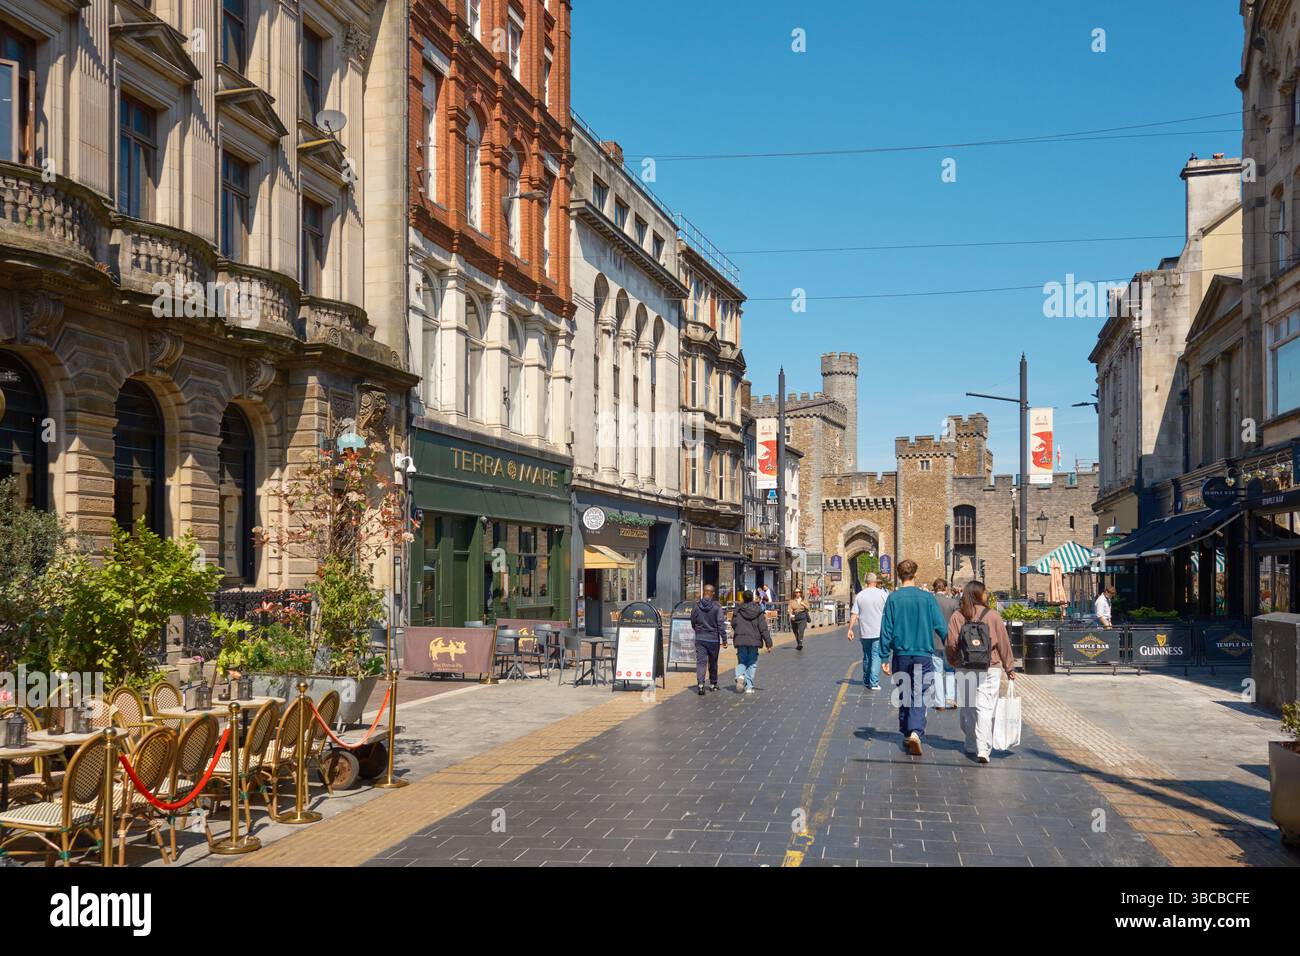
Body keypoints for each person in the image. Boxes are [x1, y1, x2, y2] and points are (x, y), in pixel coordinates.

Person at [878, 559, 949, 755]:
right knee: (921, 692)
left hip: (901, 653)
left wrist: (884, 656)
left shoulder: (893, 598)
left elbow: (886, 628)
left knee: (905, 692)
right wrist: (951, 645)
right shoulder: (927, 598)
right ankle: (916, 730)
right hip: (923, 653)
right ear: (915, 575)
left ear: (899, 576)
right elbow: (940, 626)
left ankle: (907, 731)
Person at [945, 580, 1016, 764]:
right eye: (985, 592)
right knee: (985, 708)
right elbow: (1003, 642)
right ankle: (983, 748)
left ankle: (970, 743)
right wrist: (1009, 667)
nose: (987, 595)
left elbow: (951, 643)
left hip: (964, 666)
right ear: (979, 594)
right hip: (989, 666)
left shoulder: (958, 615)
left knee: (968, 707)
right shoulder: (992, 615)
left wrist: (953, 661)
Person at [847, 572, 888, 690]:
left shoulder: (860, 595)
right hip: (878, 630)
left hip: (864, 631)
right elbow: (889, 612)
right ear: (876, 582)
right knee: (876, 655)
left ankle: (866, 679)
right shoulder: (883, 594)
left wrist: (850, 629)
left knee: (866, 656)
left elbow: (854, 613)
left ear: (866, 582)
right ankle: (873, 682)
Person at [730, 589, 773, 694]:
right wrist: (768, 642)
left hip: (741, 639)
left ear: (743, 598)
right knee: (752, 663)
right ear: (752, 598)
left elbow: (733, 624)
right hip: (754, 640)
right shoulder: (758, 611)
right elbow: (763, 628)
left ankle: (740, 675)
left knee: (742, 660)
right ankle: (749, 686)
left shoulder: (738, 610)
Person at [690, 584, 727, 695]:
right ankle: (713, 684)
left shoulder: (696, 606)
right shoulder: (717, 608)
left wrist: (697, 630)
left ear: (704, 592)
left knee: (701, 662)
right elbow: (720, 624)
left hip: (700, 638)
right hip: (713, 639)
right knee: (713, 662)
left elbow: (692, 620)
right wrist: (724, 639)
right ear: (712, 593)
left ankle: (701, 685)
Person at [932, 579, 959, 710]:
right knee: (950, 670)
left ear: (934, 589)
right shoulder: (953, 603)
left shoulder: (930, 602)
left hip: (933, 641)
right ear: (946, 589)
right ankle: (950, 698)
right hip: (949, 641)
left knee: (937, 672)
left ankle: (939, 702)